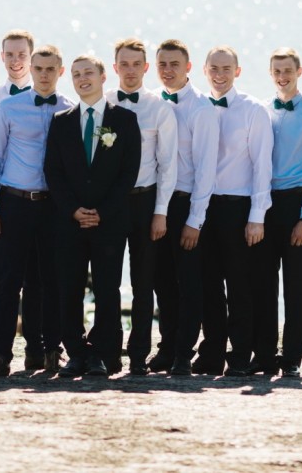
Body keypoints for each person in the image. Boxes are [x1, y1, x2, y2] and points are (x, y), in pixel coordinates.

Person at [0, 45, 75, 377]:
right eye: (39, 68)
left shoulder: (71, 109)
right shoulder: (8, 107)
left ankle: (50, 351)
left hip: (53, 207)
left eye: (50, 69)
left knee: (51, 281)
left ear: (60, 72)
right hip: (14, 202)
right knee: (8, 281)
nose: (44, 75)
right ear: (31, 70)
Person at [44, 54, 141, 377]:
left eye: (88, 73)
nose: (82, 79)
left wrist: (102, 211)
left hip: (109, 222)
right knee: (69, 288)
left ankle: (102, 353)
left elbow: (128, 173)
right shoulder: (61, 121)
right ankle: (75, 352)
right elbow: (53, 172)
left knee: (107, 289)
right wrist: (73, 210)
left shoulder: (124, 120)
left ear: (102, 77)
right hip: (69, 222)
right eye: (76, 74)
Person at [193, 46, 273, 377]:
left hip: (238, 208)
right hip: (202, 207)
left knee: (240, 286)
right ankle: (211, 353)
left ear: (237, 72)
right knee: (208, 284)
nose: (220, 74)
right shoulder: (198, 106)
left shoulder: (254, 110)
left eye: (226, 68)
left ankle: (240, 355)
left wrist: (257, 217)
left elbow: (262, 165)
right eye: (214, 68)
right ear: (204, 70)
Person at [252, 48, 302, 379]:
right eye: (277, 71)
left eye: (288, 70)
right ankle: (264, 354)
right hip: (264, 204)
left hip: (296, 205)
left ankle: (293, 356)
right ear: (270, 74)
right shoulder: (261, 112)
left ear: (299, 72)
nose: (282, 76)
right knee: (262, 283)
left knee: (296, 287)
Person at [0, 30, 45, 370]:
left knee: (39, 280)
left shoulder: (58, 102)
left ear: (32, 57)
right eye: (10, 55)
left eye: (22, 54)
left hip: (45, 205)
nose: (16, 61)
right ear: (2, 57)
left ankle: (38, 349)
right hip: (6, 202)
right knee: (1, 279)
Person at [106, 37, 177, 375]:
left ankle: (138, 355)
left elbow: (168, 165)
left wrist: (160, 212)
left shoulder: (159, 108)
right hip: (110, 204)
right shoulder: (103, 104)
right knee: (107, 280)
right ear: (115, 67)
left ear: (146, 67)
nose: (130, 70)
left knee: (143, 284)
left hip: (145, 202)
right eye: (124, 64)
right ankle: (108, 351)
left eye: (136, 64)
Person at [152, 39, 218, 375]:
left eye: (174, 64)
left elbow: (206, 170)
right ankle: (166, 347)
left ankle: (183, 353)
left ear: (188, 67)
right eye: (162, 64)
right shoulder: (152, 103)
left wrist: (195, 220)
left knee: (189, 284)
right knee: (162, 281)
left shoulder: (201, 109)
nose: (168, 70)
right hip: (157, 204)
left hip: (186, 205)